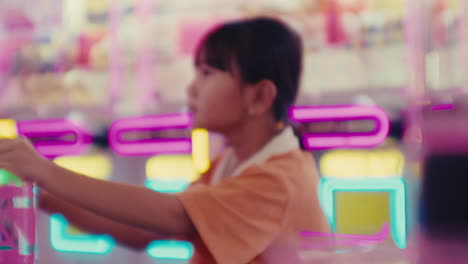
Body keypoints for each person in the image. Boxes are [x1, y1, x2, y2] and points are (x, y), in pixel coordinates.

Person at [0, 17, 330, 263]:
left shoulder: (278, 182)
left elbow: (176, 216)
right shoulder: (231, 167)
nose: (192, 88)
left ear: (259, 96)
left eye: (207, 73)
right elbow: (142, 231)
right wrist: (41, 193)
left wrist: (43, 171)